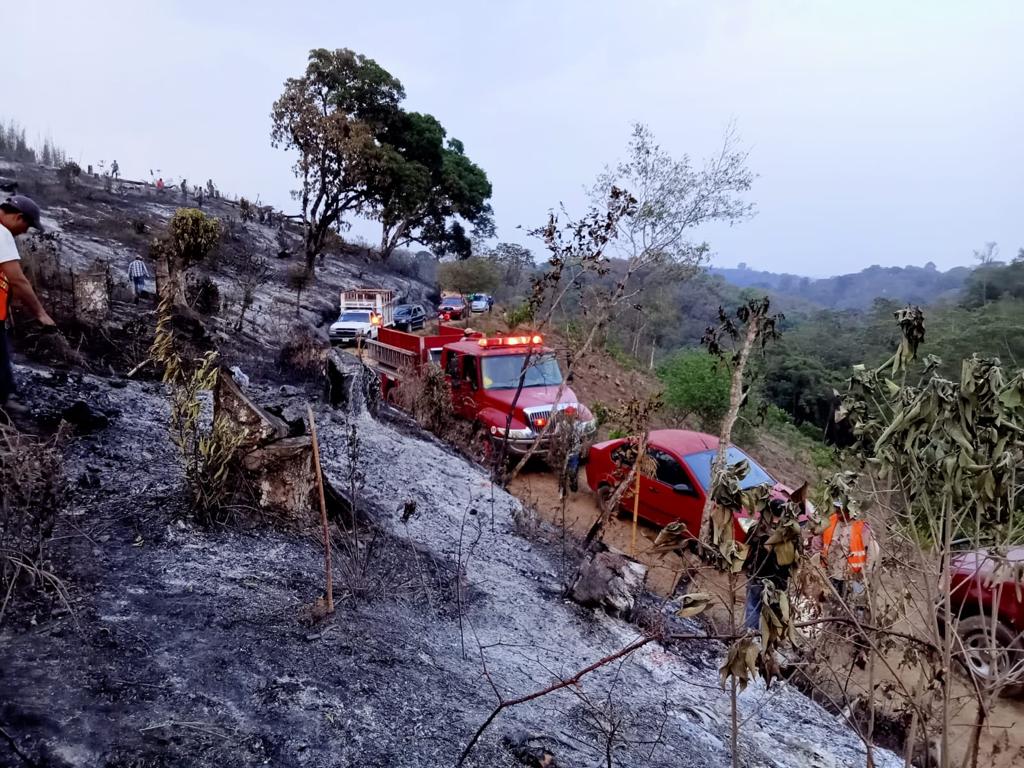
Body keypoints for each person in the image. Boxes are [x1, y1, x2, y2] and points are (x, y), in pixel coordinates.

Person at [0, 196, 56, 413]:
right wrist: (41, 314)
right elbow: (17, 279)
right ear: (18, 217)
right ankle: (6, 400)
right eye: (27, 226)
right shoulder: (2, 233)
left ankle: (6, 396)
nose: (24, 232)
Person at [743, 498, 800, 631]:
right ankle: (768, 637)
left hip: (757, 574)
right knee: (773, 611)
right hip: (778, 579)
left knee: (753, 606)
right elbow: (795, 557)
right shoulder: (790, 533)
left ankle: (750, 635)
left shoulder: (757, 528)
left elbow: (746, 548)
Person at [821, 499, 877, 600]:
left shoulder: (863, 528)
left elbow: (873, 554)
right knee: (830, 603)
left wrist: (865, 574)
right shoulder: (830, 521)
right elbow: (818, 543)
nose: (837, 510)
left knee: (854, 604)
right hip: (831, 574)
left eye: (840, 508)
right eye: (836, 507)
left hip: (854, 578)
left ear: (849, 509)